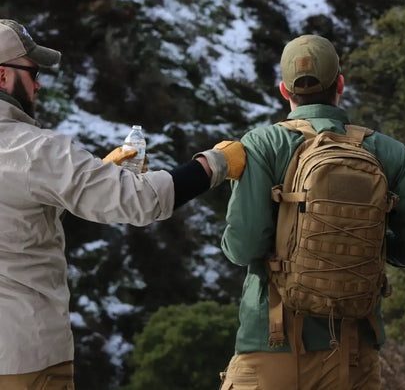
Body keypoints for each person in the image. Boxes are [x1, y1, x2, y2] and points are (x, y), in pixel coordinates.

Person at [0, 19, 246, 390]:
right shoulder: (32, 150)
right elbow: (139, 201)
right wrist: (214, 165)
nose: (37, 84)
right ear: (2, 76)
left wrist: (92, 177)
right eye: (32, 72)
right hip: (24, 356)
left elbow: (15, 217)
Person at [219, 34, 405, 390]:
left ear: (284, 90)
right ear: (340, 85)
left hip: (271, 352)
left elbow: (243, 248)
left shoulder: (263, 144)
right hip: (353, 357)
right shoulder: (387, 152)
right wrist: (366, 241)